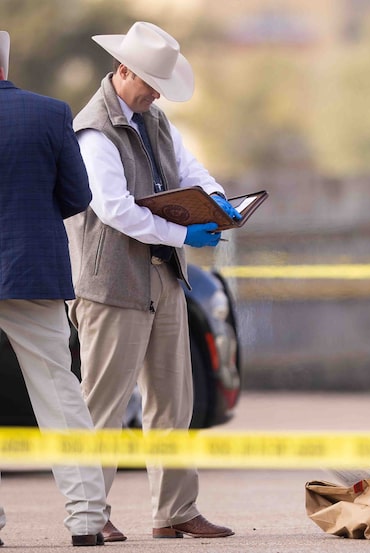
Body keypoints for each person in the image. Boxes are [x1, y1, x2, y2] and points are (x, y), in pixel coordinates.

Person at [65, 21, 241, 542]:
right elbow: (114, 209)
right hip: (112, 284)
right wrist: (186, 234)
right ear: (123, 71)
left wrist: (218, 200)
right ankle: (91, 515)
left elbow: (191, 171)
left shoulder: (155, 120)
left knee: (173, 401)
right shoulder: (93, 130)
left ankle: (176, 511)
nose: (157, 92)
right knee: (104, 404)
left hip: (161, 278)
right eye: (151, 82)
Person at [0, 30, 109, 548]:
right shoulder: (49, 113)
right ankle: (87, 520)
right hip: (30, 270)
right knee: (60, 396)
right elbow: (76, 196)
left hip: (27, 267)